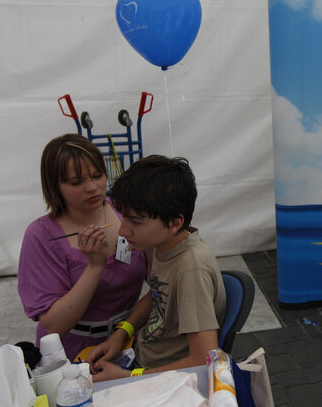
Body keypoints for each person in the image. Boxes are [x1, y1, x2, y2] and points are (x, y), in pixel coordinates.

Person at [85, 155, 226, 381]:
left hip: (167, 379)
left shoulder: (191, 269)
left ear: (174, 223)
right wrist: (122, 334)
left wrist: (129, 376)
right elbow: (157, 293)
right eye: (124, 218)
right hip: (142, 359)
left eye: (136, 222)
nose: (122, 231)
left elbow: (203, 359)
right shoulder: (160, 244)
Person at [18, 134, 148, 361]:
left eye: (98, 175)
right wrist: (95, 267)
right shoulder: (41, 236)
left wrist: (124, 331)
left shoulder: (126, 212)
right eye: (76, 182)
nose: (92, 187)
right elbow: (55, 326)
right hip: (72, 355)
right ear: (54, 186)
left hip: (128, 341)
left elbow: (160, 282)